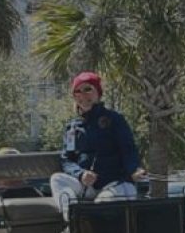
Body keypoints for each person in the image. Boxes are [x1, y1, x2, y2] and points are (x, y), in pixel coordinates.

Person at [50, 71, 146, 215]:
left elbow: (129, 150)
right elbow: (66, 160)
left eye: (88, 89)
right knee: (57, 179)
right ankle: (73, 219)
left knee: (102, 204)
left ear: (98, 93)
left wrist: (134, 170)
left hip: (115, 184)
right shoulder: (72, 127)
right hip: (87, 186)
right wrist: (81, 174)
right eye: (78, 91)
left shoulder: (115, 119)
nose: (83, 95)